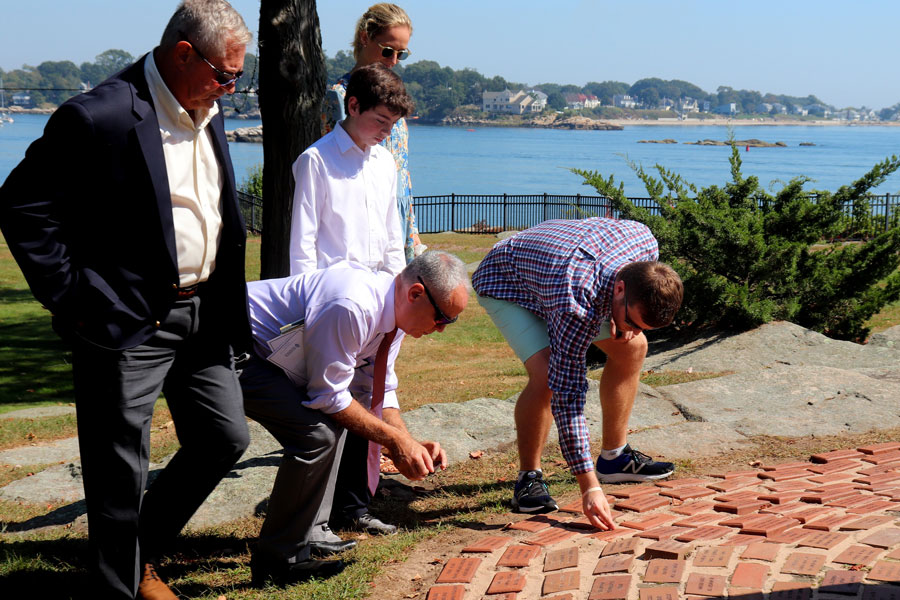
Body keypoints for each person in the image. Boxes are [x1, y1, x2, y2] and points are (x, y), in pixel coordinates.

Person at [0, 2, 253, 598]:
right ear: (184, 52)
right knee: (119, 475)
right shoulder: (101, 115)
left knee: (225, 437)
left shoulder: (203, 103)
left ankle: (137, 559)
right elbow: (23, 206)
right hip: (122, 319)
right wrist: (76, 299)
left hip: (202, 311)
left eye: (240, 77)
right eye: (226, 74)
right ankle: (120, 584)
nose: (232, 89)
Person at [241, 252, 468, 586]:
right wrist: (394, 442)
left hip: (266, 357)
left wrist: (408, 441)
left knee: (330, 427)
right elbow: (328, 396)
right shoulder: (352, 304)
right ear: (416, 293)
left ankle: (301, 537)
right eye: (442, 318)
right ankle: (279, 562)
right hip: (235, 345)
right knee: (316, 434)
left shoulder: (397, 317)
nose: (441, 329)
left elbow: (376, 388)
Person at [471, 218, 683, 530]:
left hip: (557, 275)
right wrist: (590, 487)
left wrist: (623, 322)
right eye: (632, 321)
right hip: (507, 282)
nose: (633, 330)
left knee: (634, 347)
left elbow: (618, 302)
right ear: (620, 289)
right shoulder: (575, 304)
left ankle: (614, 458)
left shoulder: (645, 245)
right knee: (546, 377)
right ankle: (529, 478)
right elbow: (568, 397)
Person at [321, 2, 424, 263]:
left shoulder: (394, 96)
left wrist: (412, 232)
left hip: (396, 215)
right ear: (365, 38)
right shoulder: (340, 97)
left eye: (402, 54)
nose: (394, 61)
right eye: (388, 51)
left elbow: (402, 170)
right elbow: (334, 169)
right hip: (360, 219)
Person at [289, 62, 411, 276]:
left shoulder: (385, 162)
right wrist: (306, 299)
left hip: (379, 286)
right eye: (381, 120)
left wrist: (396, 290)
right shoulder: (316, 160)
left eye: (392, 123)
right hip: (332, 289)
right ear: (353, 107)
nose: (387, 131)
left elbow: (392, 235)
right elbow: (303, 241)